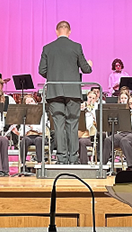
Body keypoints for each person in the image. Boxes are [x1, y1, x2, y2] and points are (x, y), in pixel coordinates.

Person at [38, 20, 94, 165]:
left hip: (54, 91)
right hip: (73, 92)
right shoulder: (76, 46)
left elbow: (42, 71)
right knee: (73, 124)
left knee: (59, 126)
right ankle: (73, 158)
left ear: (57, 31)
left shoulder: (47, 48)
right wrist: (89, 64)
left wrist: (54, 76)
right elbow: (86, 69)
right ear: (69, 32)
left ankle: (62, 158)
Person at [100, 95, 132, 170]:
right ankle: (102, 166)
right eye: (130, 103)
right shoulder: (126, 113)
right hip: (124, 133)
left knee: (124, 141)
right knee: (108, 140)